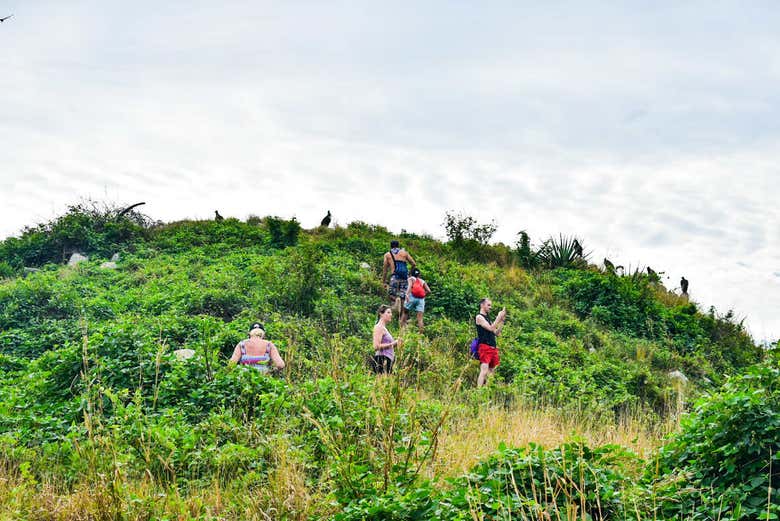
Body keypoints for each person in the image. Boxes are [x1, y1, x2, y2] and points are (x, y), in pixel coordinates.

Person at [382, 240, 417, 322]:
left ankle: (392, 314)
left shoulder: (387, 255)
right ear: (398, 245)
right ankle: (403, 317)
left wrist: (383, 281)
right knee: (403, 298)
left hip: (394, 277)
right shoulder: (404, 253)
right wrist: (409, 273)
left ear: (391, 246)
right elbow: (413, 264)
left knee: (392, 296)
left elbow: (385, 269)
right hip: (405, 278)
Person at [475, 298, 506, 387]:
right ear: (482, 305)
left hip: (493, 347)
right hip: (485, 346)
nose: (490, 307)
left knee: (492, 372)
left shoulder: (488, 319)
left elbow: (497, 333)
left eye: (490, 305)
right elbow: (491, 328)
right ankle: (479, 391)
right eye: (488, 305)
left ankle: (488, 391)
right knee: (484, 371)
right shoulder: (479, 317)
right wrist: (498, 317)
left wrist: (502, 321)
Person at [371, 304, 401, 374]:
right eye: (388, 312)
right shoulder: (379, 327)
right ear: (381, 314)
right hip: (382, 359)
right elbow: (376, 346)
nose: (391, 315)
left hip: (388, 359)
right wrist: (392, 344)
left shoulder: (384, 328)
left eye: (391, 313)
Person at [403, 267, 431, 332]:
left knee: (405, 312)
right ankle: (420, 334)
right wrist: (423, 295)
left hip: (412, 297)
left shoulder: (411, 279)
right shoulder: (422, 281)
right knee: (420, 319)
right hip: (421, 300)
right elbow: (429, 291)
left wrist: (406, 294)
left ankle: (402, 328)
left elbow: (410, 286)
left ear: (411, 273)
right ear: (419, 274)